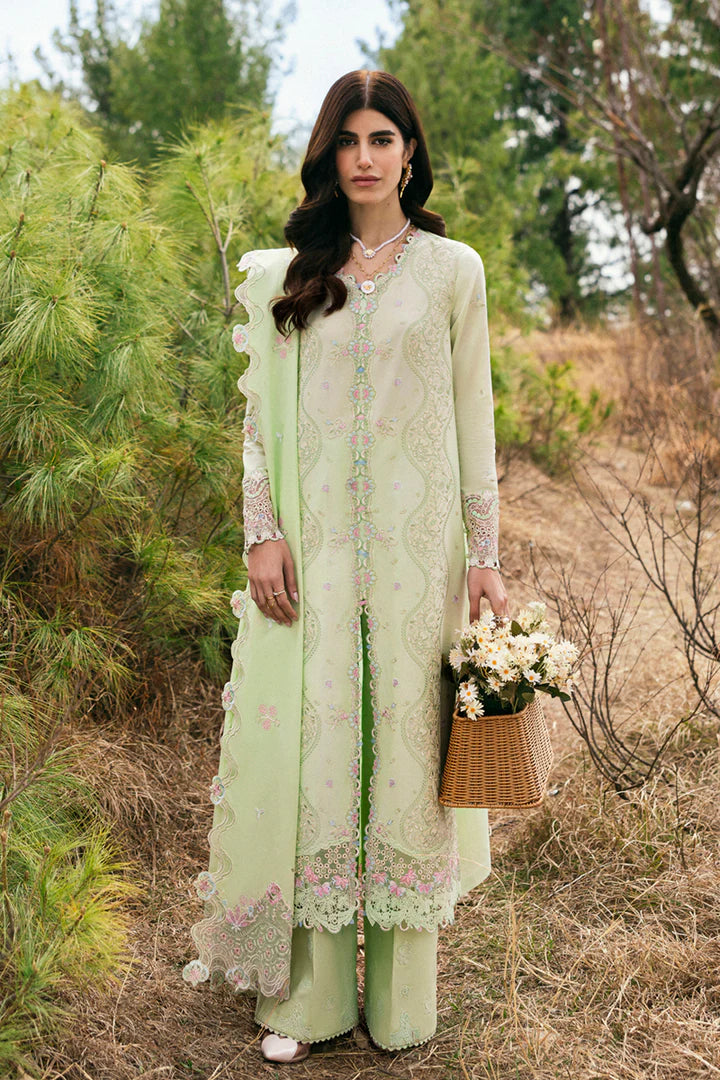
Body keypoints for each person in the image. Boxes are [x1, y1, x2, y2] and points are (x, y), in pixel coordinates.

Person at [183, 68, 509, 1064]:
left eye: (381, 138)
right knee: (321, 750)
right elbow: (259, 427)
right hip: (314, 554)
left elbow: (474, 417)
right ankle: (313, 998)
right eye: (347, 140)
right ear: (328, 155)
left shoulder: (453, 272)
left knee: (409, 749)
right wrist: (262, 532)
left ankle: (404, 1002)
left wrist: (486, 556)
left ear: (410, 154)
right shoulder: (289, 277)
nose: (364, 157)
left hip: (419, 556)